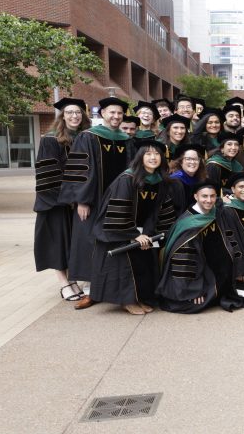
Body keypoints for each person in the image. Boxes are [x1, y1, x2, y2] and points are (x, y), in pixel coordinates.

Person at [58, 97, 132, 309]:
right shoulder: (88, 136)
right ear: (103, 113)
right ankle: (91, 290)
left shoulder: (126, 139)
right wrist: (82, 200)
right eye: (112, 112)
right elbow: (81, 169)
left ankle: (109, 286)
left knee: (113, 241)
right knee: (89, 241)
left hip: (118, 200)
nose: (116, 116)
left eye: (119, 113)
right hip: (93, 200)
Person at [89, 140, 178, 315]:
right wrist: (133, 234)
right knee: (125, 266)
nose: (153, 157)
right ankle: (127, 301)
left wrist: (148, 233)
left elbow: (156, 211)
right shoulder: (127, 179)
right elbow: (120, 209)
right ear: (140, 157)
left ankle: (139, 298)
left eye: (157, 154)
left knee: (142, 264)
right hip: (119, 230)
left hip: (142, 231)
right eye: (148, 154)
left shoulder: (160, 182)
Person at [158, 180, 244, 313]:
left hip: (218, 267)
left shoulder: (215, 211)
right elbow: (185, 263)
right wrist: (193, 290)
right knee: (202, 301)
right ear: (196, 197)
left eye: (212, 196)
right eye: (204, 196)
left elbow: (229, 235)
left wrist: (237, 269)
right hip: (200, 272)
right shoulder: (189, 225)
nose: (209, 200)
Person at [34, 97, 88, 303]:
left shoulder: (86, 137)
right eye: (70, 112)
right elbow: (48, 174)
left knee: (71, 243)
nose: (74, 116)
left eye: (78, 112)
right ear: (63, 116)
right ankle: (64, 283)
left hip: (78, 201)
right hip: (56, 202)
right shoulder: (51, 139)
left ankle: (72, 280)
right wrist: (69, 198)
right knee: (57, 243)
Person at [167, 143, 207, 213]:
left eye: (195, 159)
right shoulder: (174, 182)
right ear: (181, 162)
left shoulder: (200, 179)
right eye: (188, 159)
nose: (192, 162)